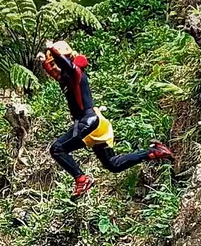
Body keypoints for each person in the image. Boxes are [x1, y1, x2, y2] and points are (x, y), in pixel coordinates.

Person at [37, 38, 174, 200]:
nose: (53, 68)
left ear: (65, 59)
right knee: (113, 164)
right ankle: (154, 152)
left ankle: (82, 179)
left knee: (57, 149)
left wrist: (52, 49)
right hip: (95, 124)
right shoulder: (66, 79)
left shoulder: (75, 73)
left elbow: (65, 64)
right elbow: (57, 70)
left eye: (54, 64)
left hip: (88, 122)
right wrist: (44, 62)